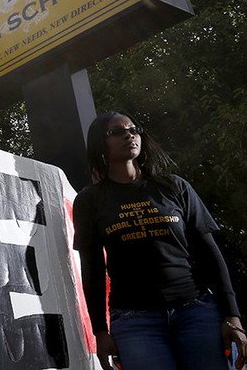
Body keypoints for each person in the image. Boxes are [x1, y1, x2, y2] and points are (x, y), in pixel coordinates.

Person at [72, 110, 247, 370]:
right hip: (135, 322)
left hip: (196, 311)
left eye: (133, 129)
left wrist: (232, 315)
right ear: (100, 142)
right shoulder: (90, 201)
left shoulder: (174, 188)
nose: (129, 135)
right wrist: (100, 331)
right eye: (117, 132)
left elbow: (210, 253)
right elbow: (93, 269)